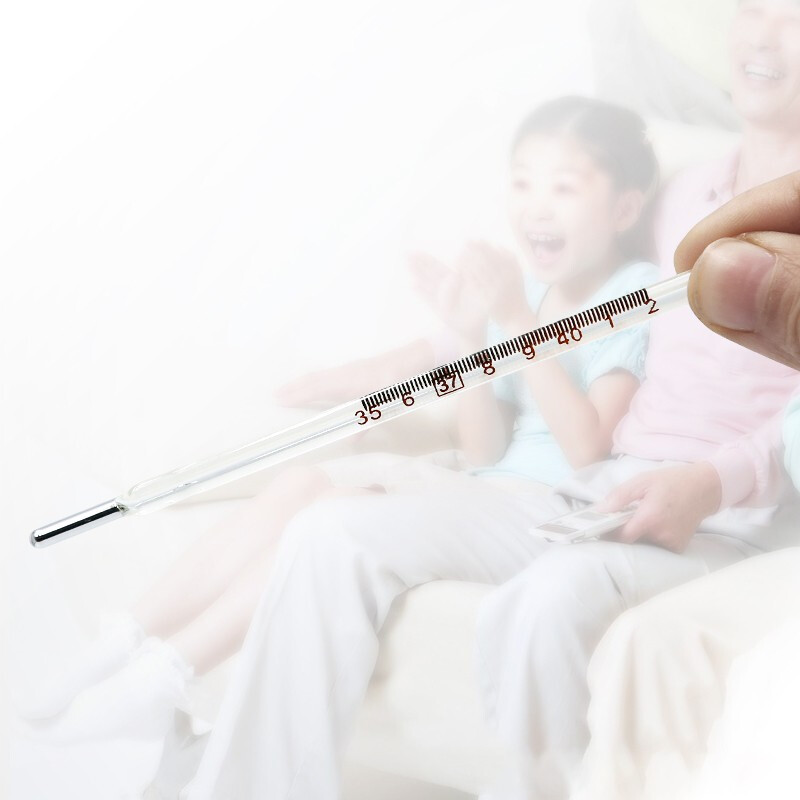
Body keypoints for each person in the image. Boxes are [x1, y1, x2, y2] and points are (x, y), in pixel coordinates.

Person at [174, 71, 800, 800]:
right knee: (329, 532)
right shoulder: (686, 193)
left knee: (548, 599)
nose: (763, 32)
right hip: (600, 485)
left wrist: (711, 483)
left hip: (732, 517)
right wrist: (445, 335)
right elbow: (573, 296)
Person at [17, 96, 659, 756]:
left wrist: (516, 321)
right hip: (487, 489)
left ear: (624, 210)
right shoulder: (527, 292)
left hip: (544, 509)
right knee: (301, 485)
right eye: (523, 183)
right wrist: (472, 337)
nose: (536, 207)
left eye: (563, 187)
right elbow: (483, 449)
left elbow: (587, 448)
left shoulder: (631, 293)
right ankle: (119, 644)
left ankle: (161, 679)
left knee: (332, 514)